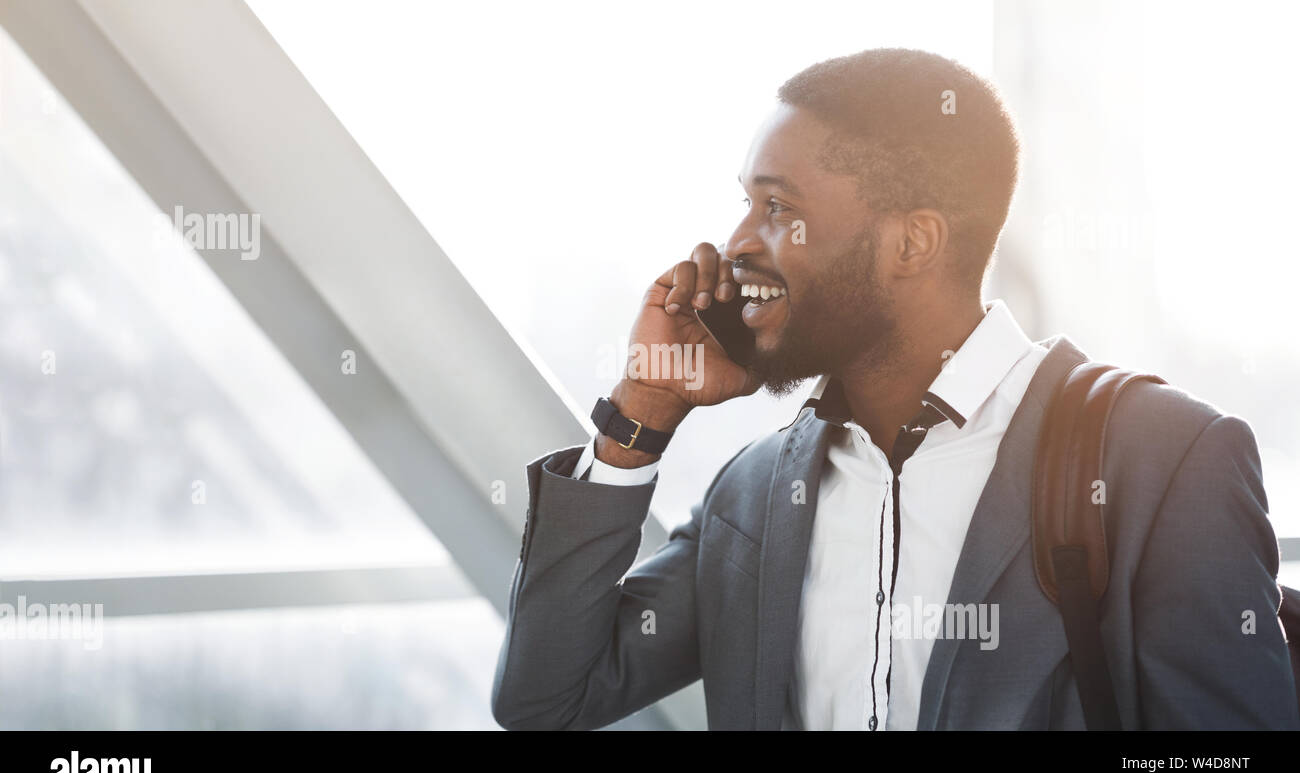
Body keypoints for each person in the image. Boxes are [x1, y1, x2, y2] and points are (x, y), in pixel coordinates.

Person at [491, 48, 1300, 730]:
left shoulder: (1162, 459)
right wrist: (642, 411)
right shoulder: (755, 496)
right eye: (746, 203)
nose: (736, 242)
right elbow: (544, 696)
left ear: (912, 242)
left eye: (779, 207)